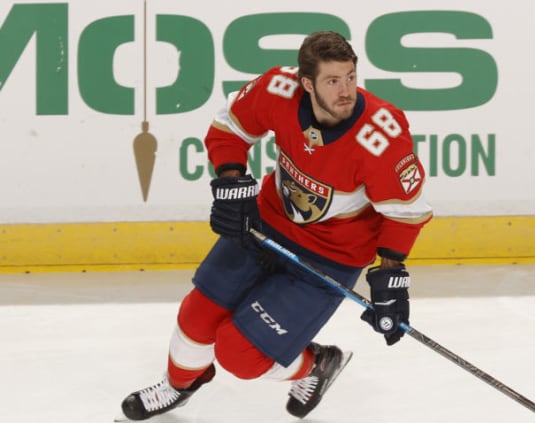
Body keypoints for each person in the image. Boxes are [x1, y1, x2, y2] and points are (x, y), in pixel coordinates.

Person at [120, 31, 432, 420]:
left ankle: (317, 365)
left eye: (350, 76)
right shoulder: (276, 90)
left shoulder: (380, 137)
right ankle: (179, 385)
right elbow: (229, 129)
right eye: (333, 81)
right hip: (267, 224)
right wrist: (233, 180)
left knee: (239, 353)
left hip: (329, 258)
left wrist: (390, 276)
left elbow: (404, 213)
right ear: (306, 83)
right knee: (196, 319)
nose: (346, 90)